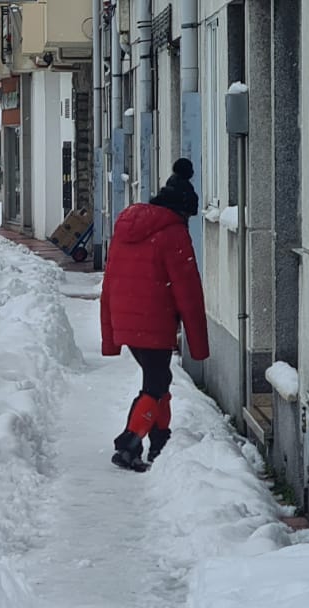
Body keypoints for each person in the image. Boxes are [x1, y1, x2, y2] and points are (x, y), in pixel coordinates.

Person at [99, 158, 210, 472]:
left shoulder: (126, 227)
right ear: (183, 210)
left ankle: (160, 442)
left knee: (160, 378)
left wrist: (110, 335)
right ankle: (129, 443)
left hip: (126, 320)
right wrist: (199, 344)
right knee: (157, 382)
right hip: (155, 320)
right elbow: (188, 292)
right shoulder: (173, 233)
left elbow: (109, 282)